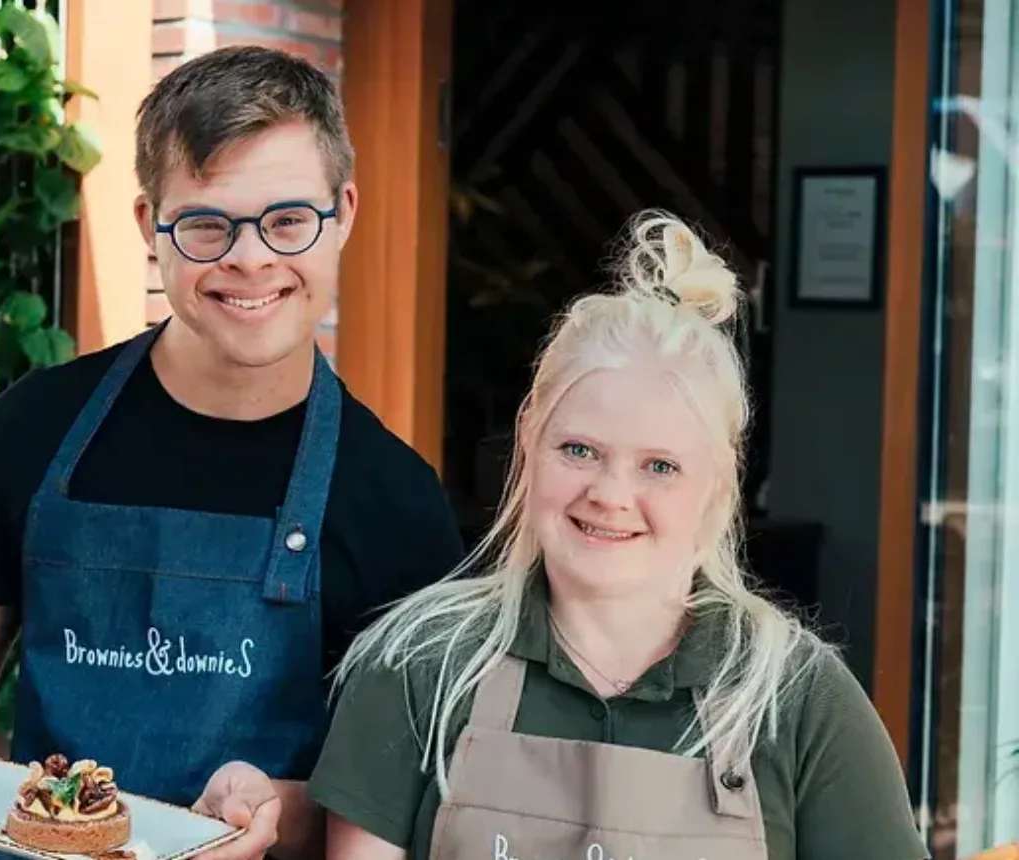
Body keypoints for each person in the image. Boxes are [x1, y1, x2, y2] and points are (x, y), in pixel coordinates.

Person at [0, 46, 466, 860]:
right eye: (205, 223)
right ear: (149, 225)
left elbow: (420, 787)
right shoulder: (35, 426)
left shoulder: (395, 498)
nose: (251, 258)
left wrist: (279, 811)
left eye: (288, 220)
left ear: (345, 214)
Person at [307, 212, 930, 860]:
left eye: (659, 466)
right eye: (579, 449)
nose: (610, 494)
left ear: (717, 486)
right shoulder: (415, 669)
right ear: (529, 445)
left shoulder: (797, 701)